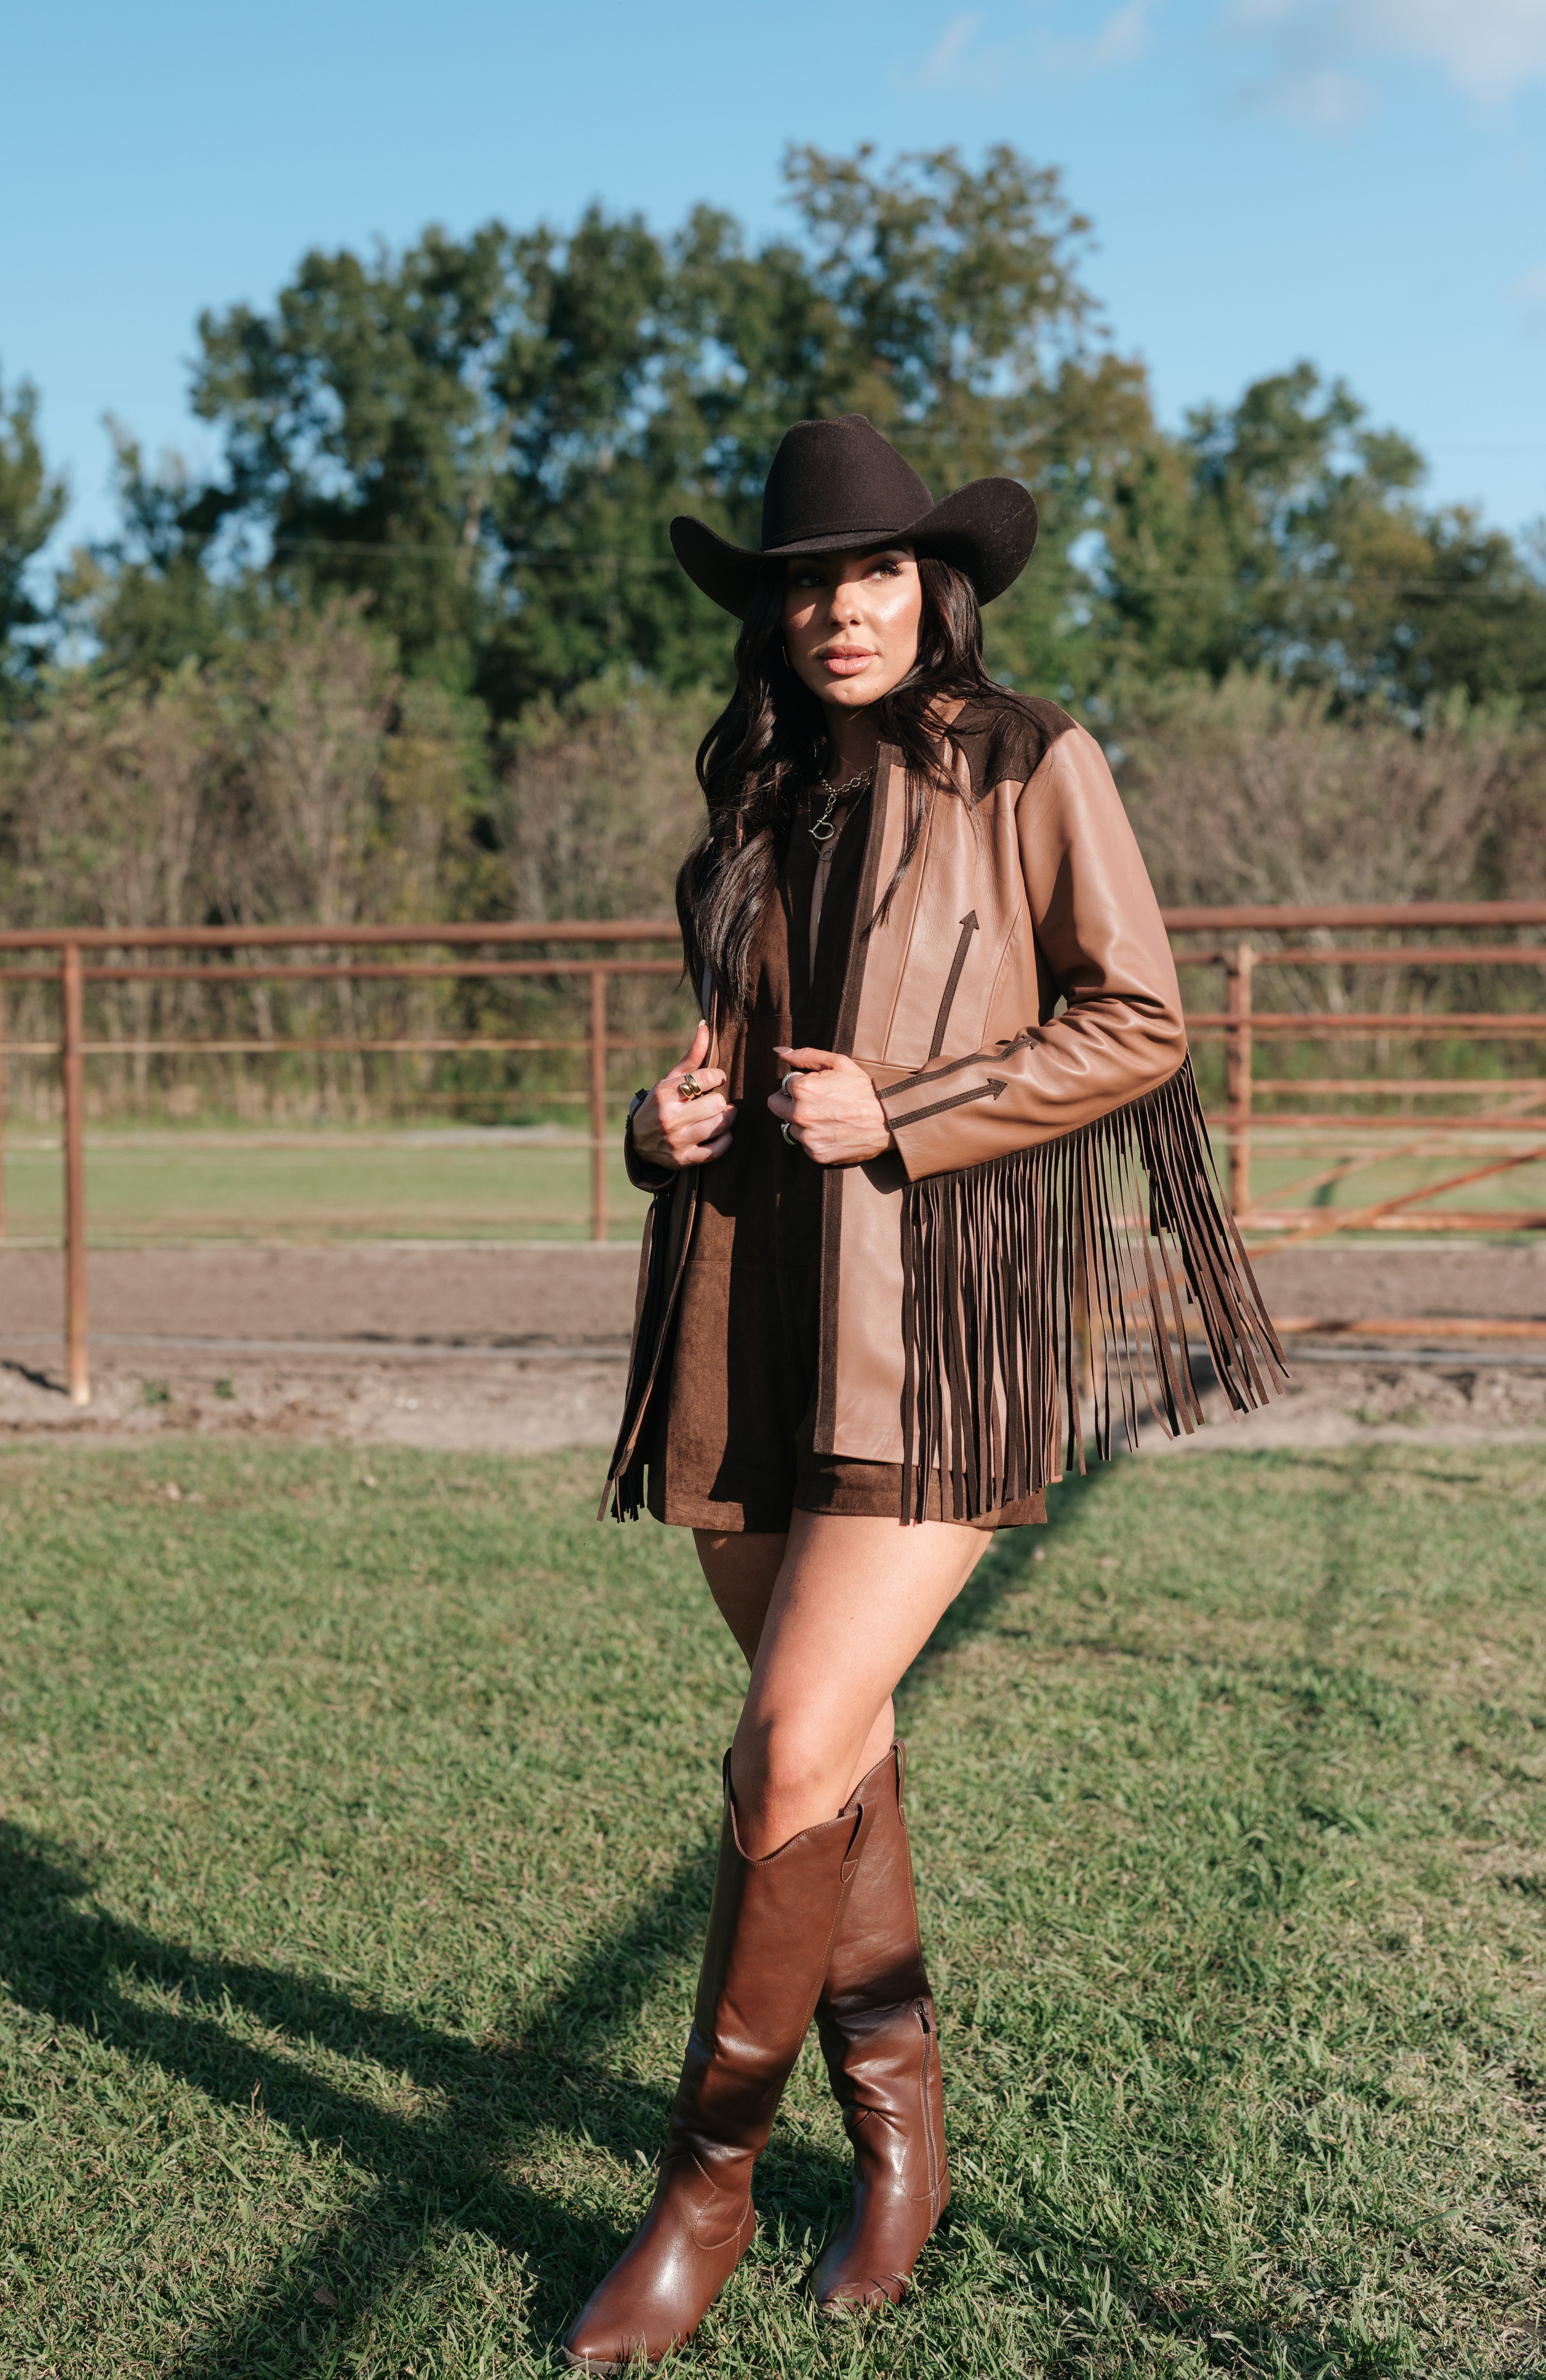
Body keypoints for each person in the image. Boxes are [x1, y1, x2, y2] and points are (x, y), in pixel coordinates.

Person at [562, 415, 1281, 2371]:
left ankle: (699, 2193)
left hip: (945, 1319)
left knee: (789, 1742)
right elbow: (732, 1048)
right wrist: (658, 1119)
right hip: (748, 1303)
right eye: (804, 580)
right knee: (835, 1743)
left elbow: (1137, 1023)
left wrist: (912, 1108)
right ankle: (904, 2142)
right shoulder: (756, 798)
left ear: (932, 585)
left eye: (869, 572)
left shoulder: (1035, 762)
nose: (835, 609)